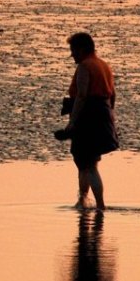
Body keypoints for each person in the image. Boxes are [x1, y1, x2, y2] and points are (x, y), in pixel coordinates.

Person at [55, 32, 118, 211]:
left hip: (88, 118)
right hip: (102, 115)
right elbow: (112, 95)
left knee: (88, 165)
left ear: (82, 49)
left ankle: (100, 206)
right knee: (85, 163)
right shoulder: (104, 65)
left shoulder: (85, 66)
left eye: (73, 50)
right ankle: (82, 201)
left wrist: (72, 122)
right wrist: (110, 116)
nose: (72, 54)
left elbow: (82, 96)